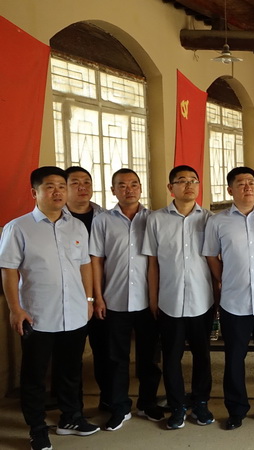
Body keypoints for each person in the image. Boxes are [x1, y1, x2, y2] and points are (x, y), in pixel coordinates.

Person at [1, 166, 100, 450]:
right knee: (35, 375)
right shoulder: (18, 227)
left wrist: (89, 300)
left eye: (61, 186)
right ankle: (37, 428)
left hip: (75, 312)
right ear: (35, 193)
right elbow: (8, 270)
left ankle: (71, 418)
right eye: (50, 187)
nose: (58, 192)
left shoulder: (76, 226)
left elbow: (84, 265)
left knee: (70, 370)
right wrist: (15, 309)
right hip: (37, 315)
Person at [203, 167, 254, 430]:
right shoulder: (218, 221)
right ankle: (236, 410)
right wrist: (224, 277)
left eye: (251, 182)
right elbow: (211, 254)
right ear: (230, 190)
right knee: (234, 359)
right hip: (234, 303)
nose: (247, 187)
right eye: (241, 183)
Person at [142, 165, 215, 430]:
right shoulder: (156, 220)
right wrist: (153, 299)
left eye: (193, 180)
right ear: (170, 187)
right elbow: (152, 263)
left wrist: (218, 296)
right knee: (171, 357)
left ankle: (201, 403)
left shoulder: (209, 219)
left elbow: (214, 261)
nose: (189, 185)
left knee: (202, 355)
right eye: (182, 181)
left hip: (202, 300)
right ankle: (177, 406)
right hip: (169, 301)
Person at [89, 168, 162, 431]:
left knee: (149, 357)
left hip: (147, 301)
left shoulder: (153, 219)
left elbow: (158, 261)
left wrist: (156, 299)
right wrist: (98, 297)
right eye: (122, 185)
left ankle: (147, 402)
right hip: (115, 300)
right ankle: (120, 407)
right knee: (116, 358)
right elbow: (96, 261)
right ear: (113, 190)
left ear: (141, 188)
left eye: (133, 184)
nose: (128, 189)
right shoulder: (102, 221)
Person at [65, 166, 111, 412]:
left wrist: (96, 297)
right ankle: (72, 408)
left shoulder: (105, 217)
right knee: (70, 356)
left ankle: (108, 400)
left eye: (87, 182)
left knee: (104, 351)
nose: (82, 187)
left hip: (102, 296)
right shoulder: (57, 218)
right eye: (75, 182)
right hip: (70, 298)